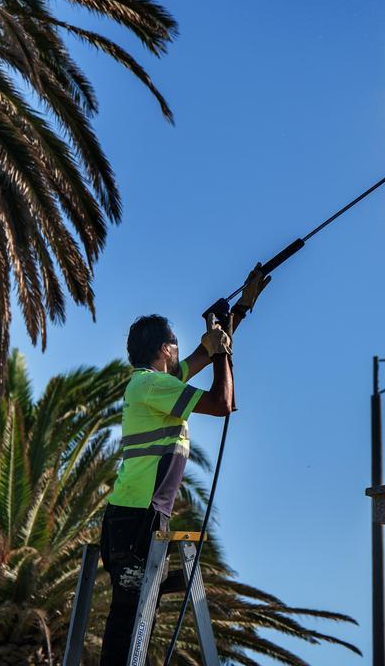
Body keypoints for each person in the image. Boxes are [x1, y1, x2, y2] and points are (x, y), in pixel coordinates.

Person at [98, 267, 269, 664]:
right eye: (175, 345)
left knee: (131, 617)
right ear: (164, 349)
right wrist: (222, 349)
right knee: (129, 621)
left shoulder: (153, 383)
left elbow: (205, 355)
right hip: (137, 516)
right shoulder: (153, 386)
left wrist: (240, 309)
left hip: (135, 516)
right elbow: (221, 402)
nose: (179, 350)